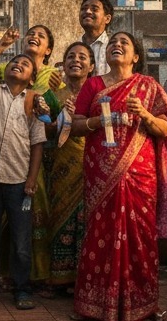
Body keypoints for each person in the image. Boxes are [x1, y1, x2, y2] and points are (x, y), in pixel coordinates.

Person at [71, 31, 167, 321]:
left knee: (138, 235)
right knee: (99, 233)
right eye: (113, 43)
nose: (117, 46)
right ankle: (95, 305)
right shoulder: (93, 84)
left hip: (139, 175)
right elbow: (77, 126)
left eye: (124, 44)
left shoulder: (149, 87)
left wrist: (144, 113)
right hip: (100, 173)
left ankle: (141, 304)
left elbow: (165, 130)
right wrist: (99, 120)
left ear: (136, 57)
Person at [0, 53, 47, 310]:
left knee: (20, 239)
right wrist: (0, 46)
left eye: (25, 64)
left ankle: (22, 289)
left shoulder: (33, 101)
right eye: (15, 62)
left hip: (19, 181)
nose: (18, 65)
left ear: (32, 77)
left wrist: (31, 178)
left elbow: (37, 144)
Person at [40, 42, 95, 296]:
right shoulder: (54, 95)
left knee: (86, 223)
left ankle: (81, 280)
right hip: (59, 166)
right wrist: (61, 116)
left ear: (92, 66)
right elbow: (44, 129)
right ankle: (57, 279)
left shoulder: (97, 94)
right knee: (57, 218)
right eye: (70, 56)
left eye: (82, 57)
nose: (76, 60)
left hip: (89, 165)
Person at [79, 0, 113, 77]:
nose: (87, 12)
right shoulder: (72, 47)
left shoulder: (114, 48)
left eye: (94, 9)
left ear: (107, 18)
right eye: (83, 9)